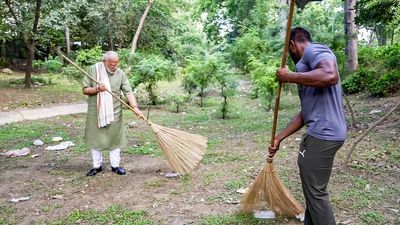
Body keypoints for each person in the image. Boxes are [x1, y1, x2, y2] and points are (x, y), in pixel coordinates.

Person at [271, 27, 347, 225]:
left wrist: (288, 77)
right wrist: (279, 137)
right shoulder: (306, 69)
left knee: (316, 192)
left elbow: (330, 75)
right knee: (312, 192)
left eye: (288, 51)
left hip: (322, 134)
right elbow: (307, 113)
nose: (289, 57)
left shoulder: (314, 50)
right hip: (326, 132)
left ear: (293, 45)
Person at [83, 51, 143, 176]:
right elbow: (85, 90)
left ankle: (115, 165)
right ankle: (96, 166)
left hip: (115, 111)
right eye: (111, 64)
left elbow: (128, 92)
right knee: (96, 138)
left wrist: (135, 107)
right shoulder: (94, 70)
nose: (114, 66)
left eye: (116, 63)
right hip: (96, 111)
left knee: (115, 139)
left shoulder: (120, 74)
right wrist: (97, 89)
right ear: (104, 62)